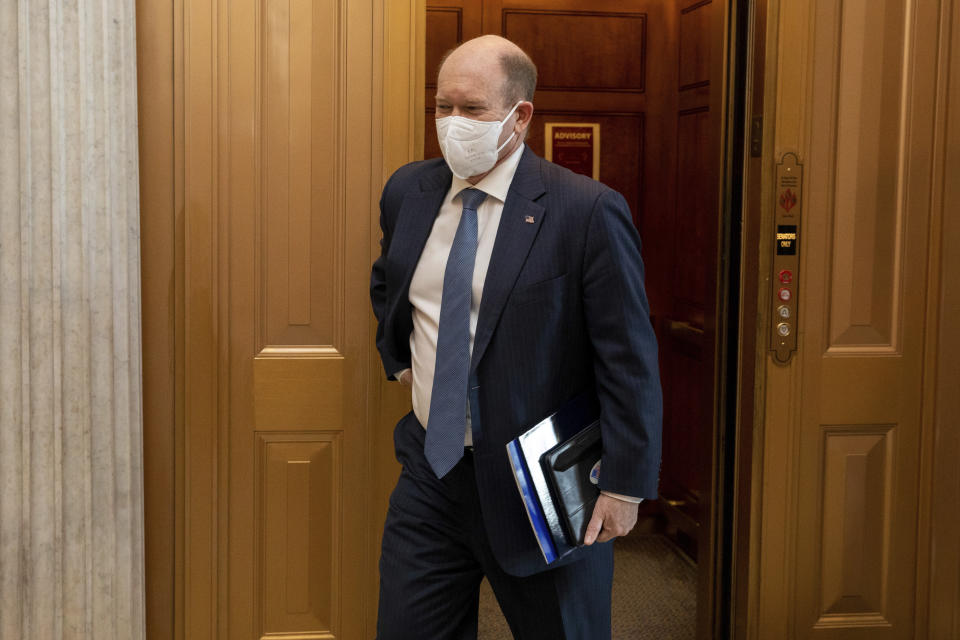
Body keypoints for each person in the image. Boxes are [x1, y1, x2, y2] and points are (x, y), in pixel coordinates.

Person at [370, 34, 662, 639]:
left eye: (471, 109)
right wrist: (399, 360)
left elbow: (627, 357)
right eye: (442, 106)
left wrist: (627, 485)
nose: (452, 123)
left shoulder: (586, 210)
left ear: (519, 115)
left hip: (542, 485)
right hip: (431, 473)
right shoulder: (409, 191)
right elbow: (390, 285)